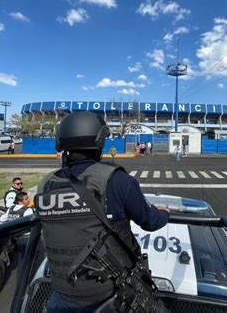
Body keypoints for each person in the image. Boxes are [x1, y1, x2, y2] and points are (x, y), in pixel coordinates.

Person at [35, 112, 169, 312]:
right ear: (100, 141)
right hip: (108, 296)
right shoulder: (116, 180)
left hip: (60, 294)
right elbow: (150, 221)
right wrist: (164, 213)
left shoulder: (46, 184)